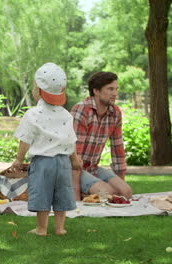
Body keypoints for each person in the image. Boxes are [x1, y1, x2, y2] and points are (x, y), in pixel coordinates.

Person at [12, 62, 80, 236]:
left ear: (38, 89)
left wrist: (19, 159)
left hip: (43, 163)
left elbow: (25, 139)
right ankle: (59, 228)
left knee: (42, 193)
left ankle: (41, 228)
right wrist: (74, 159)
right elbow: (70, 140)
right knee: (62, 193)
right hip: (63, 163)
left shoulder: (33, 114)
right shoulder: (66, 114)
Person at [70, 71, 132, 201]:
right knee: (107, 193)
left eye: (116, 89)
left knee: (126, 192)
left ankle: (91, 194)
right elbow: (74, 156)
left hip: (92, 168)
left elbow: (118, 149)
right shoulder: (82, 110)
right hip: (70, 169)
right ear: (96, 91)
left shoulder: (115, 113)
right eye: (110, 89)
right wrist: (74, 197)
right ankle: (81, 195)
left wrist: (122, 190)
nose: (115, 93)